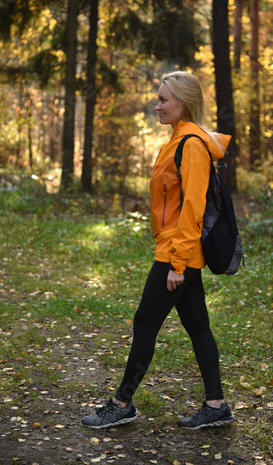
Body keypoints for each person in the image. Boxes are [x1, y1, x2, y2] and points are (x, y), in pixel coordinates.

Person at [82, 71, 235, 430]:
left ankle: (122, 404)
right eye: (158, 98)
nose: (157, 105)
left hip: (176, 254)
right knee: (198, 326)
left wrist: (177, 264)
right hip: (176, 252)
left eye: (164, 99)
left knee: (144, 323)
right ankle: (217, 405)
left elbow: (193, 208)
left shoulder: (192, 145)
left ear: (184, 102)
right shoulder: (177, 140)